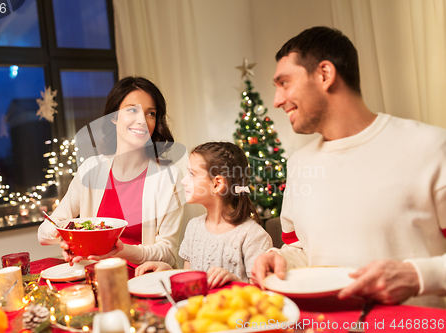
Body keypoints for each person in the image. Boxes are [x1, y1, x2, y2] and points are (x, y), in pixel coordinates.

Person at [250, 26, 446, 307]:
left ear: (325, 74)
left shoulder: (431, 146)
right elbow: (303, 250)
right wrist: (279, 258)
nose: (277, 101)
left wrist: (419, 276)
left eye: (284, 83)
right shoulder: (298, 164)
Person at [38, 76, 185, 268]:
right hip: (94, 277)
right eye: (132, 110)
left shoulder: (169, 177)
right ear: (113, 117)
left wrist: (123, 251)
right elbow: (44, 232)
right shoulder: (90, 170)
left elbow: (168, 254)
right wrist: (68, 236)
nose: (142, 120)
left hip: (144, 283)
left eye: (151, 113)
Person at [136, 142, 273, 289]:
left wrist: (234, 281)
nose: (183, 181)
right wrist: (168, 272)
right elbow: (190, 278)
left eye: (192, 174)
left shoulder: (253, 236)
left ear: (217, 184)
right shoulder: (193, 227)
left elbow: (263, 293)